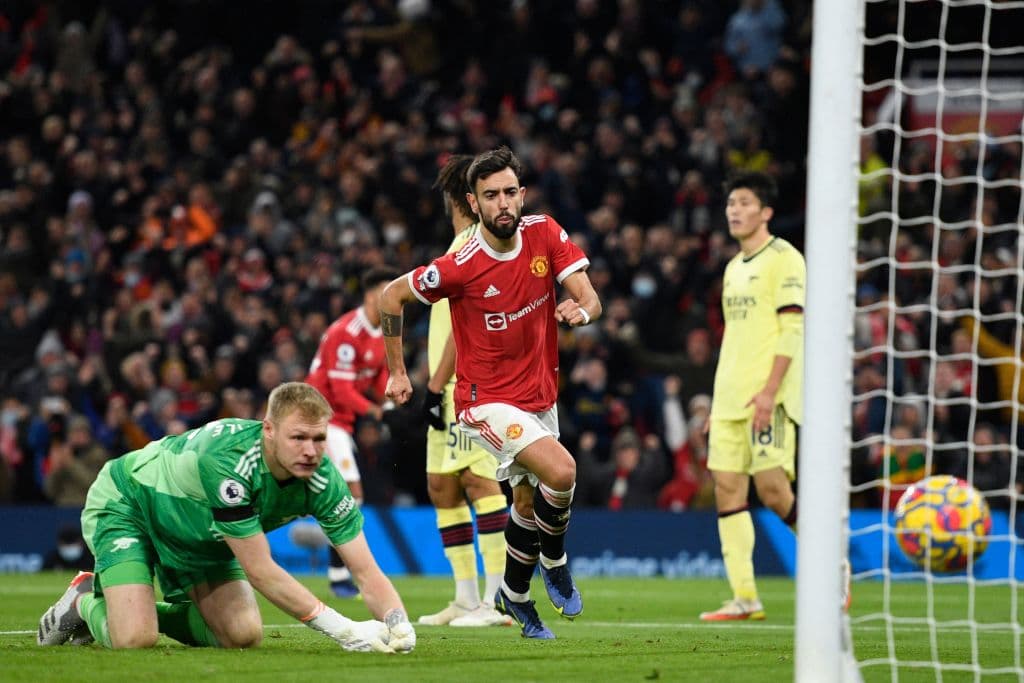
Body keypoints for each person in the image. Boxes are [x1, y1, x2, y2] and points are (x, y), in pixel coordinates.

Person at [380, 146, 602, 640]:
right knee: (562, 471)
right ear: (473, 203)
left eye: (509, 192)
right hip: (485, 401)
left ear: (522, 194)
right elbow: (390, 296)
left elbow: (589, 296)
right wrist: (398, 373)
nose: (503, 203)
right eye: (490, 195)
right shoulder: (460, 263)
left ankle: (513, 595)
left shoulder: (545, 233)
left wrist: (582, 311)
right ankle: (555, 560)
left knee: (524, 502)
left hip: (539, 395)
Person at [36, 382, 415, 654]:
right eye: (298, 438)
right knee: (135, 639)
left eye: (318, 439)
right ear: (269, 431)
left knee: (243, 635)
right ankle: (84, 600)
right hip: (132, 503)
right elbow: (260, 570)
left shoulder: (324, 480)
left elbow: (365, 571)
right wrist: (344, 630)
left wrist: (398, 622)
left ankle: (134, 608)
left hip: (201, 535)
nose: (311, 451)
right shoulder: (229, 461)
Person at [700, 171, 806, 622]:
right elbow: (736, 339)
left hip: (769, 397)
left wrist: (768, 392)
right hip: (730, 398)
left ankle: (831, 562)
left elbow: (792, 330)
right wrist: (718, 400)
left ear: (766, 212)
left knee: (774, 490)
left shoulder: (786, 258)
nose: (734, 210)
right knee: (727, 491)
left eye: (744, 202)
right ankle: (745, 597)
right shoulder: (732, 268)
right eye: (731, 203)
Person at [416, 154, 512, 628]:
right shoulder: (459, 243)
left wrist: (435, 386)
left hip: (467, 386)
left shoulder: (472, 244)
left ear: (454, 197)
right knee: (443, 487)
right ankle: (465, 597)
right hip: (448, 384)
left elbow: (464, 322)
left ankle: (497, 599)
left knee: (480, 482)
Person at [305, 266, 401, 598]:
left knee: (345, 496)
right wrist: (377, 412)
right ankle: (338, 573)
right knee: (351, 492)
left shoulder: (382, 331)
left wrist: (392, 400)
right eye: (388, 292)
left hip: (341, 423)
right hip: (319, 418)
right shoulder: (347, 331)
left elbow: (378, 377)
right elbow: (343, 391)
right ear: (372, 296)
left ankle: (337, 571)